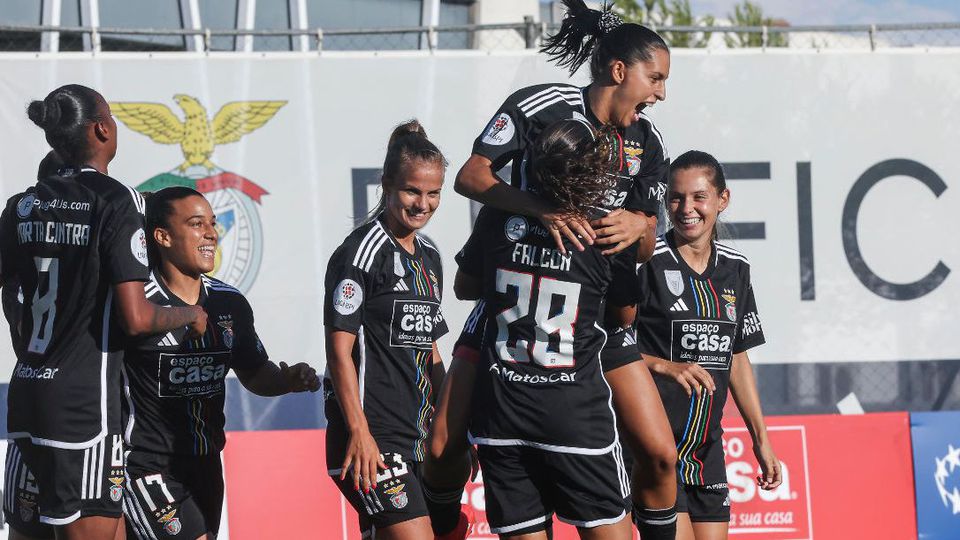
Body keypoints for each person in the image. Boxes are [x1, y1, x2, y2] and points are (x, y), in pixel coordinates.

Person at [426, 1, 679, 538]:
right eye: (654, 78)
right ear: (619, 71)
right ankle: (443, 521)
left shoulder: (648, 141)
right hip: (513, 293)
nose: (660, 92)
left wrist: (640, 226)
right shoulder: (541, 106)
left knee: (659, 456)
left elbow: (648, 238)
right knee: (443, 446)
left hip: (596, 310)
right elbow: (471, 176)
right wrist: (544, 212)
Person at [0, 84, 207, 540]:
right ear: (102, 129)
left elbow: (11, 293)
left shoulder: (21, 206)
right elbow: (136, 318)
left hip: (26, 398)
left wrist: (36, 343)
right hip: (83, 412)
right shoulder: (116, 200)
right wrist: (187, 317)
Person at [453, 118, 648, 540]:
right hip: (575, 417)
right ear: (595, 172)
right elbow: (625, 318)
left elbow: (465, 287)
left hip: (502, 416)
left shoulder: (497, 215)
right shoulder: (607, 231)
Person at [121, 186, 320, 540]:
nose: (212, 233)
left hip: (206, 463)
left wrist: (286, 380)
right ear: (162, 236)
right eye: (197, 224)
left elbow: (255, 373)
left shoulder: (230, 303)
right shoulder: (136, 305)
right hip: (147, 465)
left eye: (212, 224)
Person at [636, 151, 781, 539]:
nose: (687, 209)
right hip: (655, 448)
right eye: (676, 198)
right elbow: (606, 346)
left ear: (723, 200)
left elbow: (736, 356)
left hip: (707, 451)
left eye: (698, 197)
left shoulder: (737, 268)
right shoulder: (646, 262)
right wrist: (666, 366)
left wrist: (761, 441)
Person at [323, 120, 449, 540]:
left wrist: (451, 424)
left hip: (419, 438)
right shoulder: (360, 252)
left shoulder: (430, 255)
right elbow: (339, 352)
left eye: (433, 193)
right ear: (387, 185)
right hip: (371, 439)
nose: (423, 204)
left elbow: (430, 351)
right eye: (413, 191)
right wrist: (360, 432)